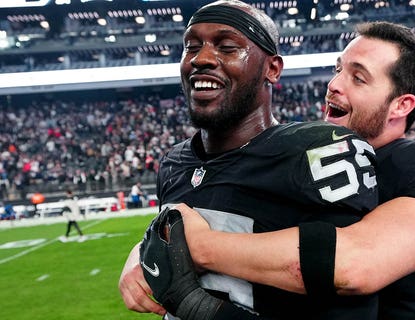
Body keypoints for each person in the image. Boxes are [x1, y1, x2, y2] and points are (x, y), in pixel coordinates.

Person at [167, 21, 415, 319]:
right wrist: (148, 250)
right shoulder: (305, 152)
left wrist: (196, 247)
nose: (333, 85)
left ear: (401, 105)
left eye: (358, 78)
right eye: (338, 69)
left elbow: (355, 265)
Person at [119, 1, 379, 319]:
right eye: (191, 47)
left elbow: (350, 296)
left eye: (227, 47)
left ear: (272, 68)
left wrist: (193, 303)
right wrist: (143, 251)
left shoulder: (319, 153)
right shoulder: (175, 162)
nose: (201, 59)